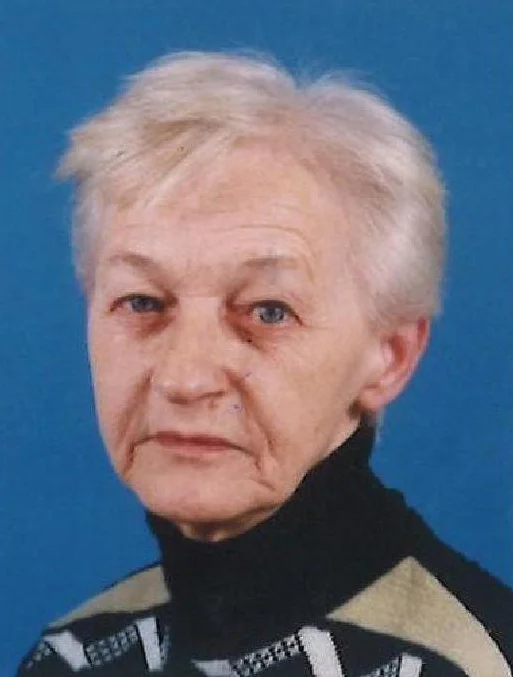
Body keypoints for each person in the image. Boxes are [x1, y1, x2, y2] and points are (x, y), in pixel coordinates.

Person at [17, 51, 512, 677]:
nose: (185, 377)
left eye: (268, 312)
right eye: (143, 303)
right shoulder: (76, 655)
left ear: (389, 357)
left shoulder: (467, 662)